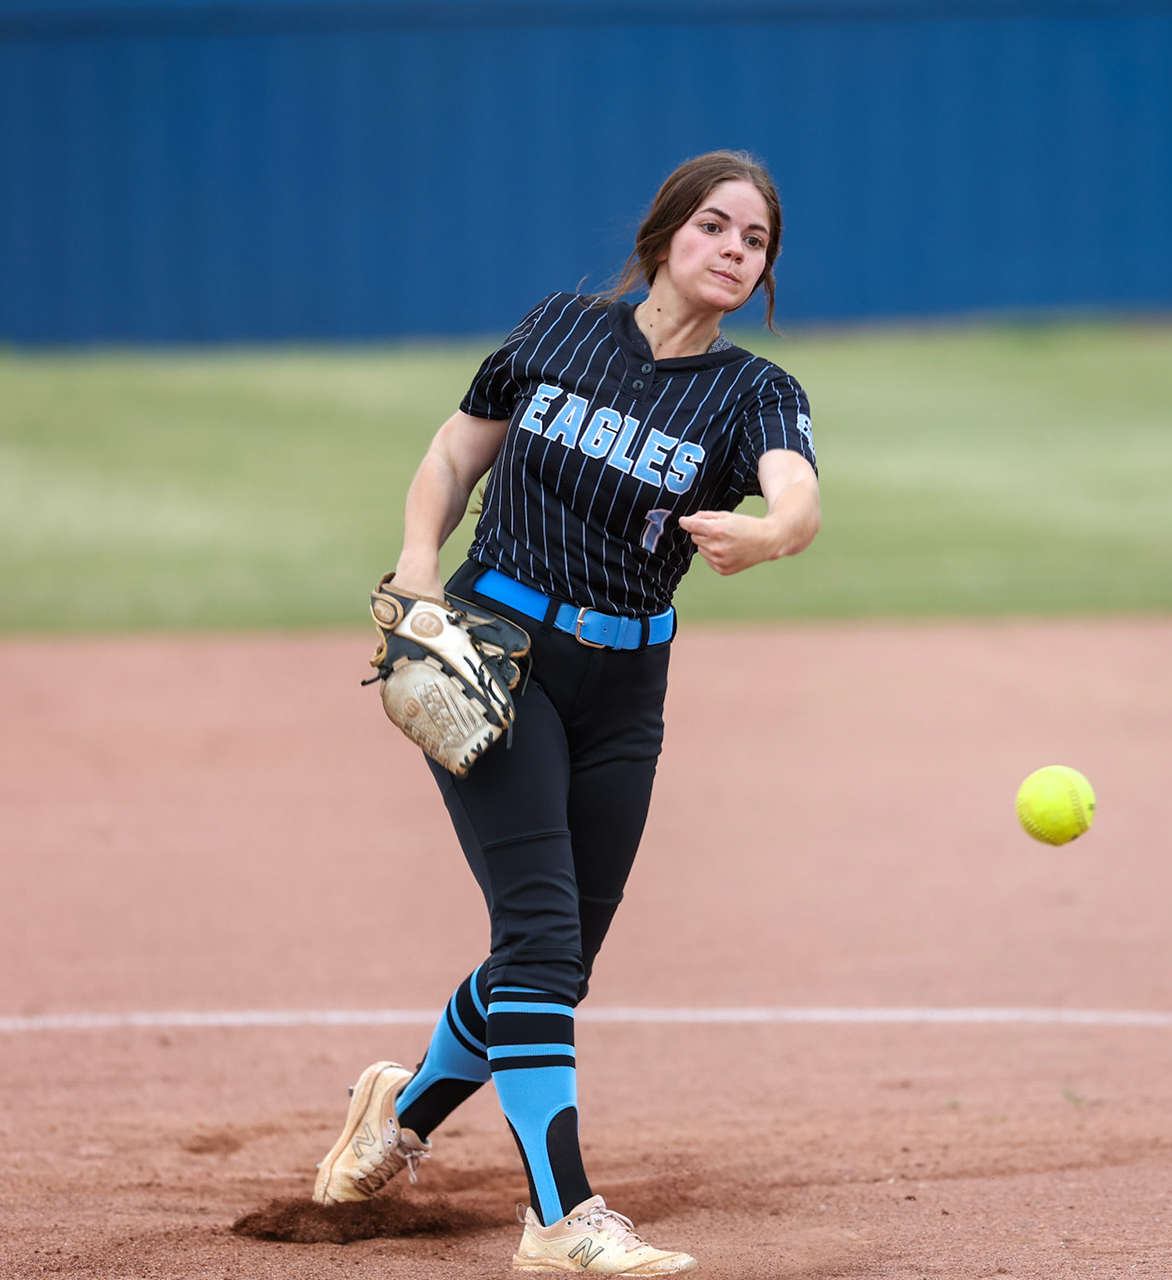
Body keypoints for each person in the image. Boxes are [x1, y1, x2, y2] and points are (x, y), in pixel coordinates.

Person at [310, 150, 820, 1275]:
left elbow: (797, 489)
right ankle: (561, 1214)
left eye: (757, 241)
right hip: (501, 656)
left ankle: (394, 1120)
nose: (736, 250)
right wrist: (414, 564)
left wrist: (774, 531)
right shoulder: (558, 328)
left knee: (557, 956)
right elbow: (455, 448)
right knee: (540, 939)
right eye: (717, 227)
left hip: (629, 687)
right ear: (664, 236)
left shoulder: (753, 391)